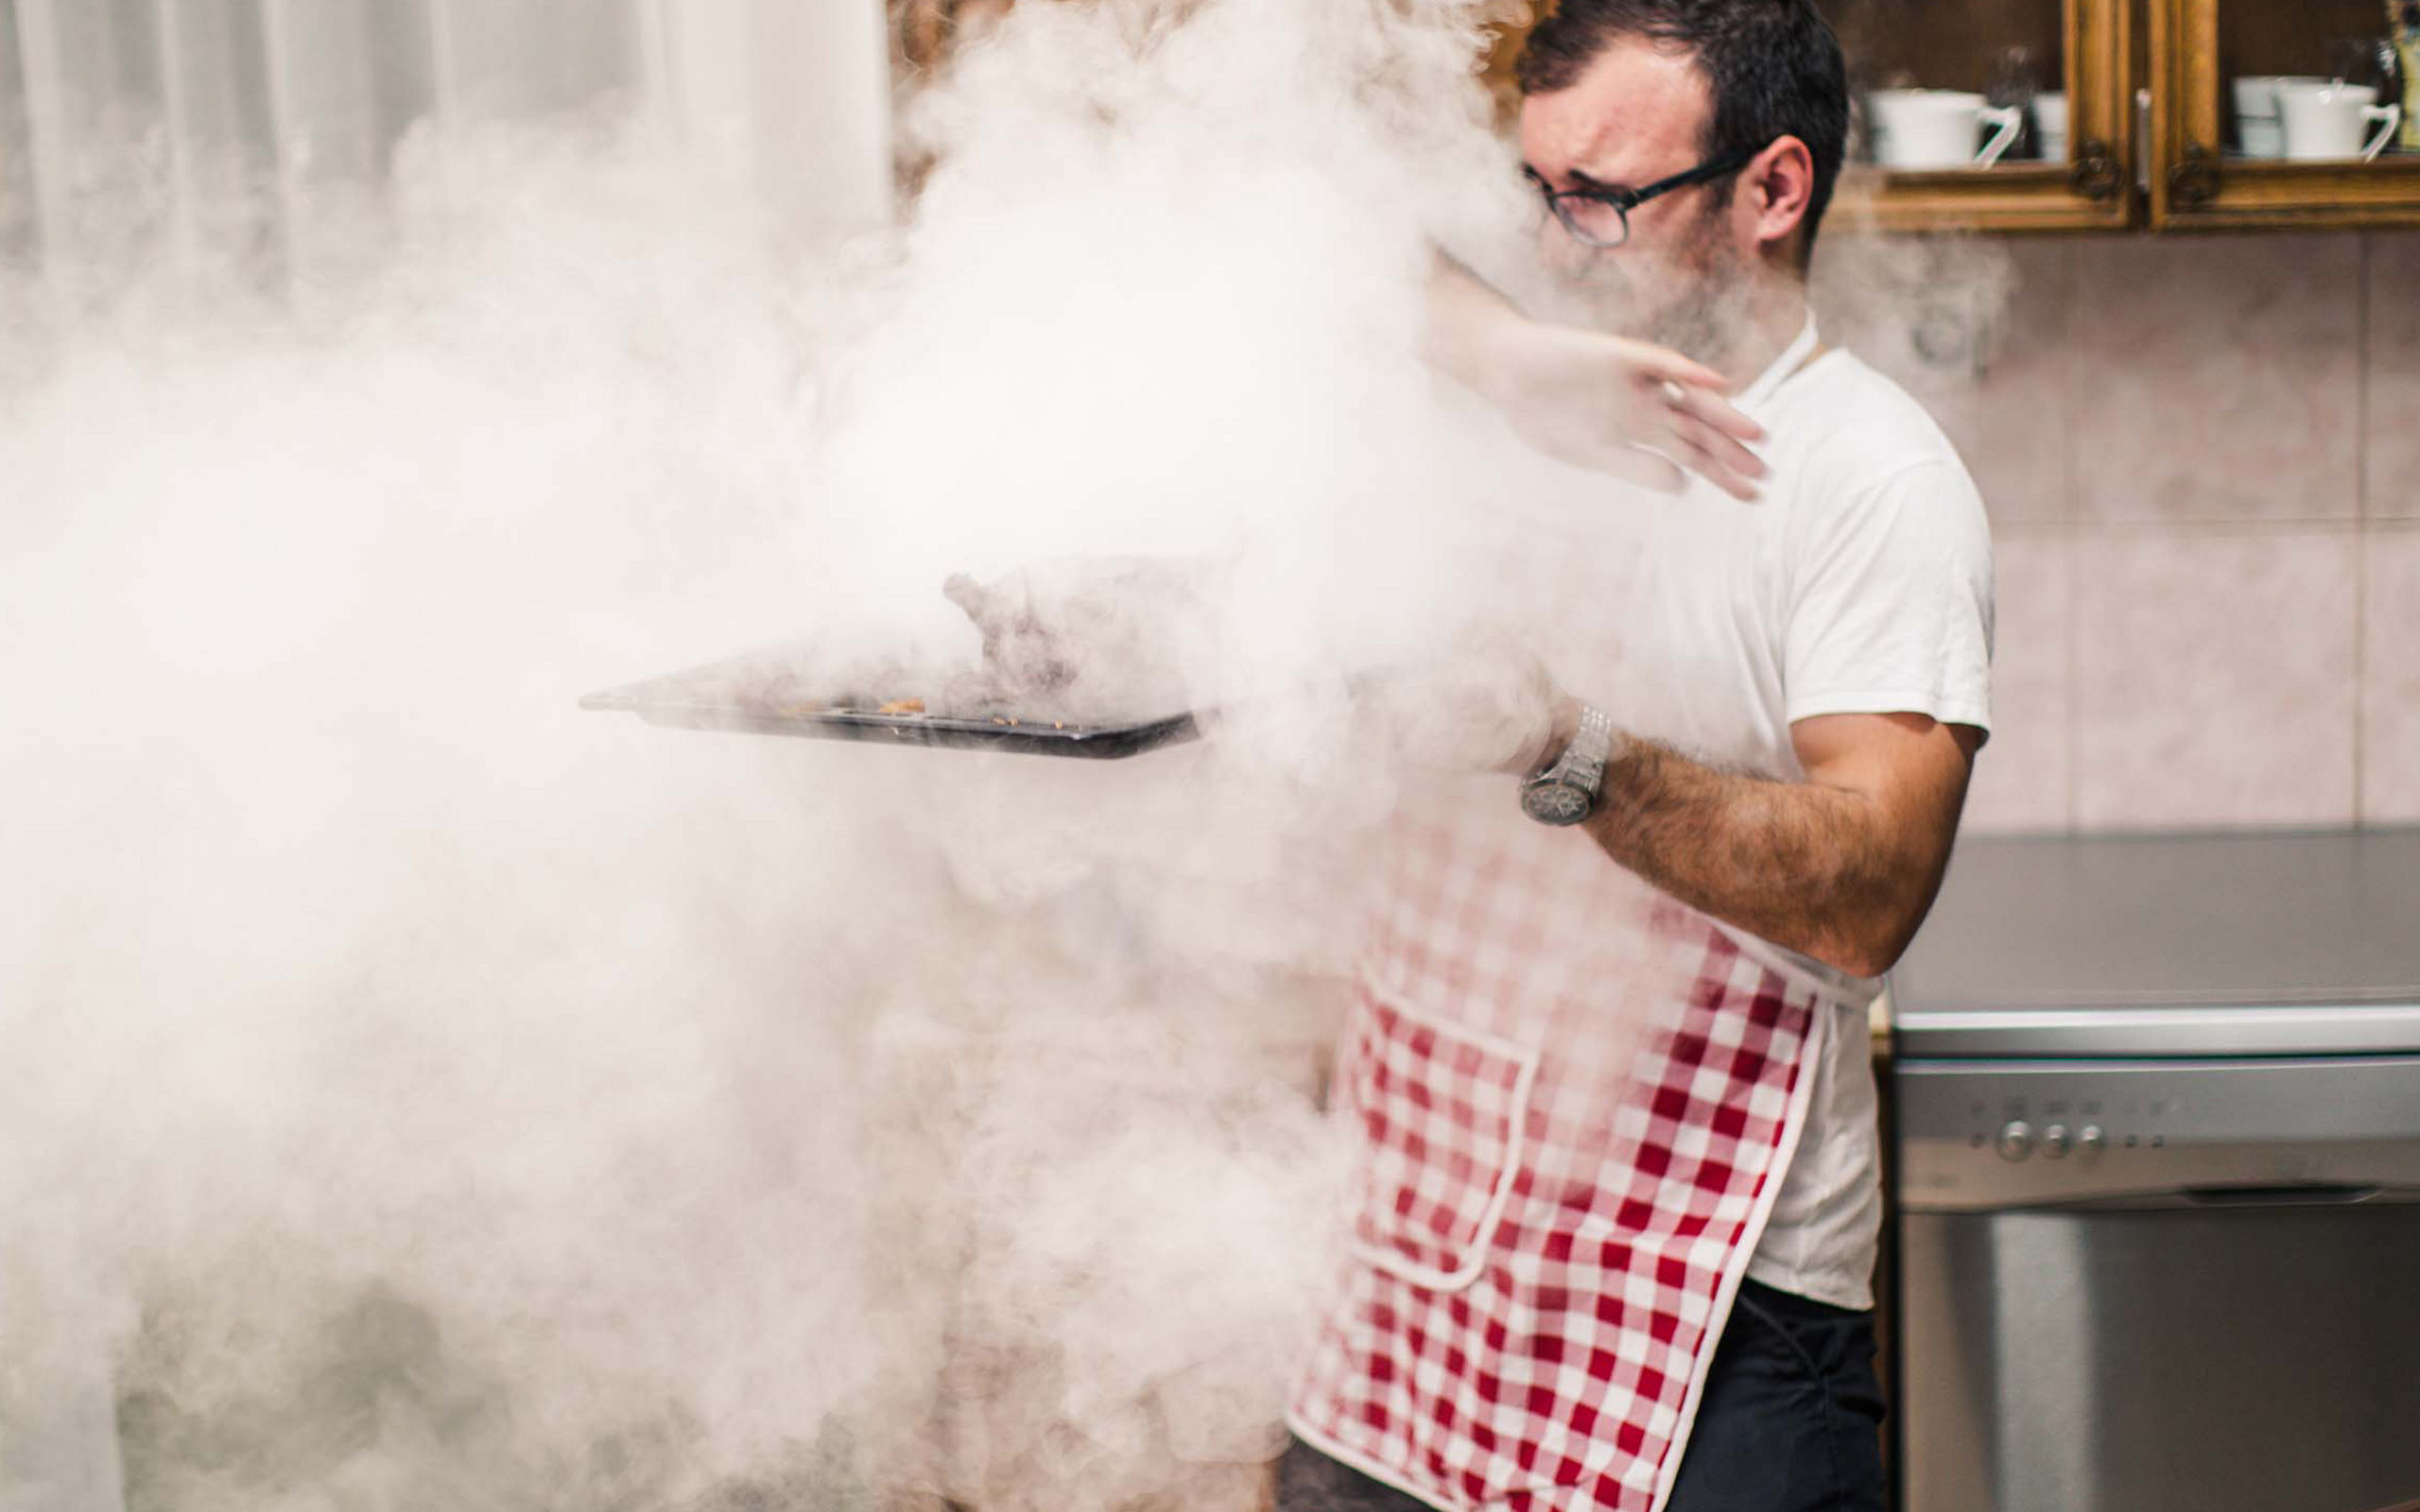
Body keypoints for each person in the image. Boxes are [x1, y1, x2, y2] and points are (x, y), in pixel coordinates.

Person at [1278, 3, 1993, 1511]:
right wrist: (1512, 355)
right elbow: (1277, 224)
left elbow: (1866, 889)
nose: (1551, 241)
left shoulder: (1868, 476)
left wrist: (1563, 748)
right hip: (1419, 1265)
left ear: (1772, 190)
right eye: (1537, 192)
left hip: (1717, 1317)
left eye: (1598, 204)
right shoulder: (1513, 373)